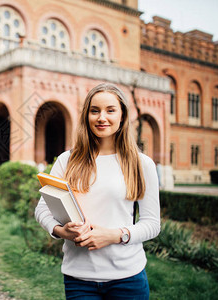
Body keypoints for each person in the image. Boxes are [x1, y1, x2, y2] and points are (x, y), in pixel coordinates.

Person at [35, 83, 160, 299]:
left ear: (122, 115)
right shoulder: (67, 160)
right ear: (86, 116)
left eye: (110, 110)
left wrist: (114, 236)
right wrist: (61, 231)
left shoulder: (142, 163)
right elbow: (42, 209)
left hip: (127, 277)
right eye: (95, 111)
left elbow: (152, 224)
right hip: (79, 279)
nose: (102, 117)